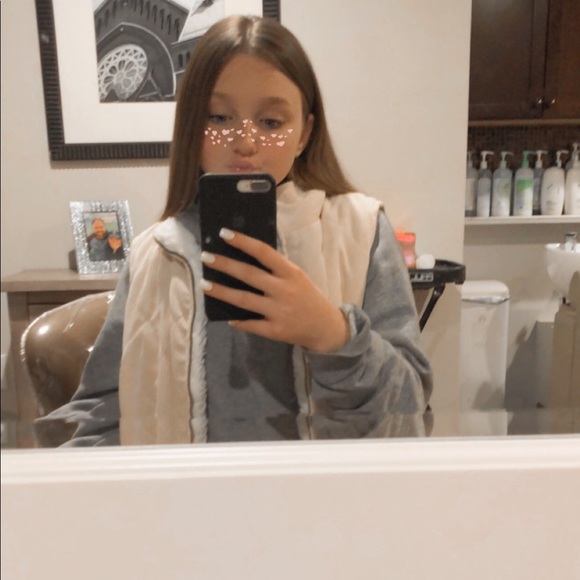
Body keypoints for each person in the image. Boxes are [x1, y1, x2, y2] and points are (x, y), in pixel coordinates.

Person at [40, 15, 432, 446]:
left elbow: (411, 408)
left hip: (321, 488)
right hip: (186, 488)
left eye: (271, 122)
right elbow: (103, 412)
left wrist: (332, 333)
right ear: (191, 127)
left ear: (304, 133)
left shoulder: (361, 231)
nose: (245, 141)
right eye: (218, 117)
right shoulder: (154, 254)